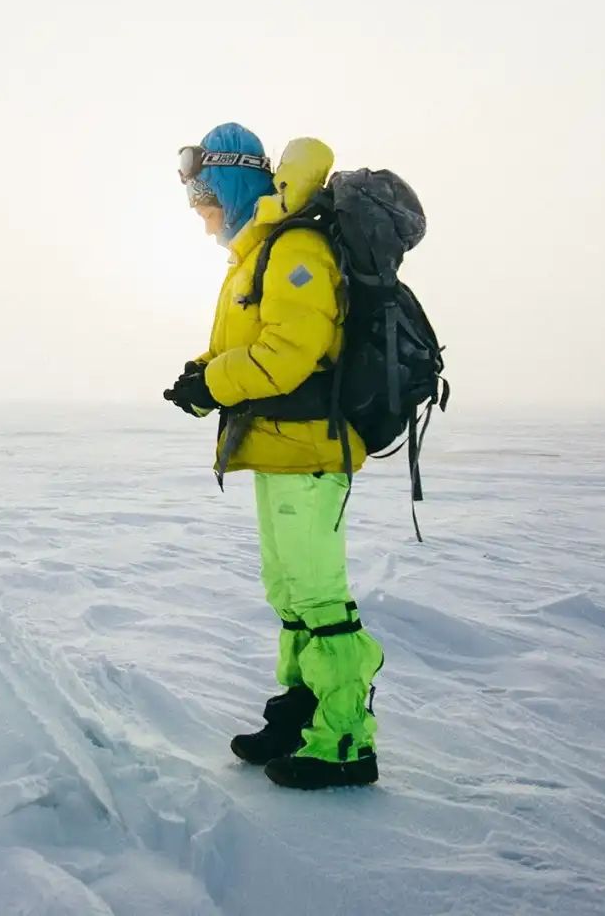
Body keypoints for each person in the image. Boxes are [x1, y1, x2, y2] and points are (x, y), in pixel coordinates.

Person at [164, 122, 386, 790]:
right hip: (276, 448)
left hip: (310, 448)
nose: (201, 220)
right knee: (289, 594)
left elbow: (291, 351)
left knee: (320, 599)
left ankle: (345, 737)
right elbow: (252, 346)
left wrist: (217, 380)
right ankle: (302, 708)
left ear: (227, 184)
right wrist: (201, 380)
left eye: (203, 202)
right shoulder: (255, 255)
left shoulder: (295, 247)